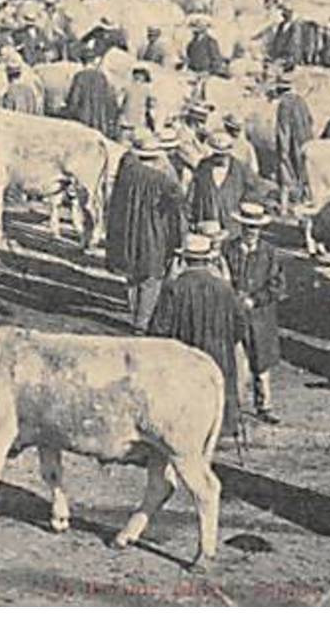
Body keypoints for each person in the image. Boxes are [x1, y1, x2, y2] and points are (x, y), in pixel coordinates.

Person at [149, 233, 244, 434]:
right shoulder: (224, 288)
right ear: (208, 259)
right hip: (218, 355)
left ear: (183, 260)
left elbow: (158, 330)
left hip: (185, 358)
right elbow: (239, 326)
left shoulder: (175, 288)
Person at [105, 133, 186, 332]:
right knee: (151, 277)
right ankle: (142, 322)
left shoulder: (128, 172)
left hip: (129, 229)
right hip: (153, 232)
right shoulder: (161, 180)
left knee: (132, 273)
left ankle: (134, 314)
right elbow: (178, 203)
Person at [222, 203, 285, 425]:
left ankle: (264, 405)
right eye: (247, 227)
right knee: (236, 362)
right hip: (234, 315)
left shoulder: (269, 253)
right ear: (241, 226)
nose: (250, 232)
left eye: (255, 228)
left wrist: (255, 299)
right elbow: (222, 279)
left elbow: (277, 286)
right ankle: (235, 406)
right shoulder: (228, 249)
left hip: (260, 317)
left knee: (262, 364)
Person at [187, 132, 257, 231]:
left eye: (223, 155)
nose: (219, 157)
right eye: (216, 154)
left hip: (232, 229)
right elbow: (192, 195)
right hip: (207, 228)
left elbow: (251, 193)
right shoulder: (203, 167)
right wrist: (191, 221)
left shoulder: (240, 169)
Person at [272, 77, 313, 213]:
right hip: (306, 142)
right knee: (305, 173)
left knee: (285, 174)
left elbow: (283, 129)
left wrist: (283, 151)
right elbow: (310, 120)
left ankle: (284, 207)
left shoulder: (284, 104)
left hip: (291, 144)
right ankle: (305, 203)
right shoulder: (301, 101)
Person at [66, 59, 120, 139]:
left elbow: (74, 100)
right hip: (100, 121)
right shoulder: (102, 78)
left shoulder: (79, 76)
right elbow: (110, 100)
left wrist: (70, 113)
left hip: (83, 120)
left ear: (82, 63)